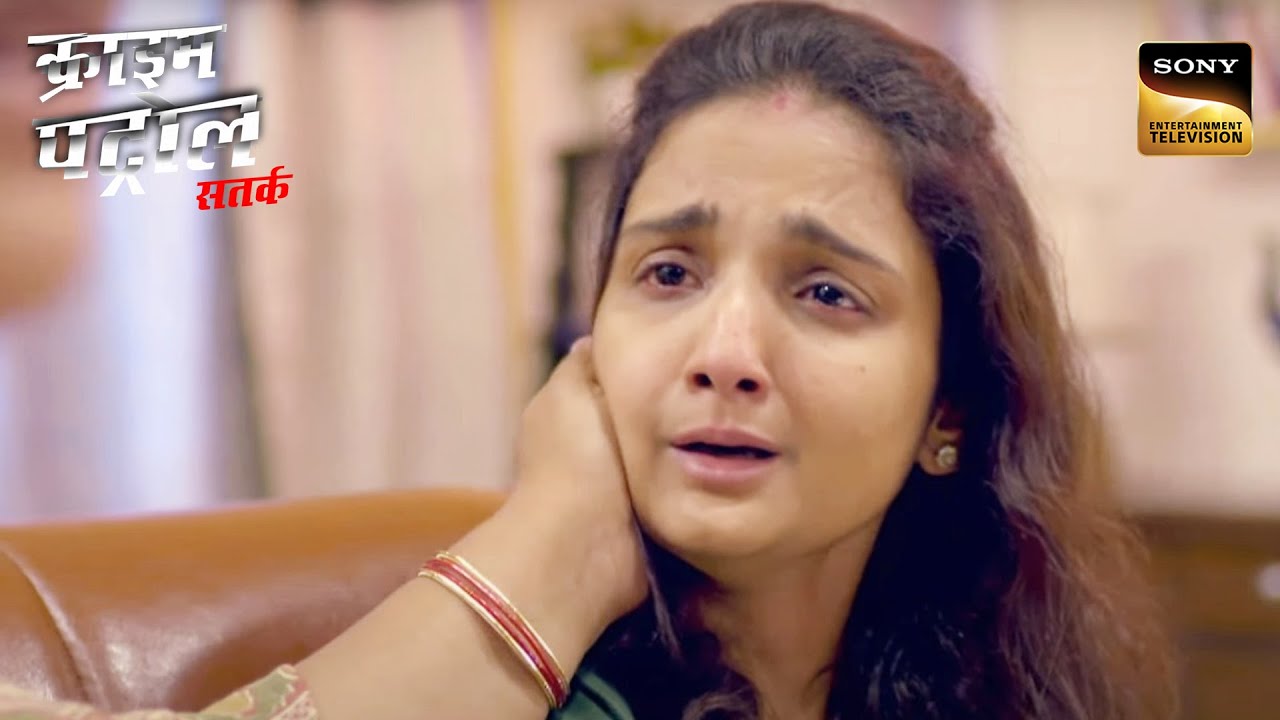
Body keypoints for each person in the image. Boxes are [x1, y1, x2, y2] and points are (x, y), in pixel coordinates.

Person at [0, 2, 1177, 719]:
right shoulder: (546, 690)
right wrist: (548, 545)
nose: (723, 353)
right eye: (667, 273)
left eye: (825, 292)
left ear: (949, 408)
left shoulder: (999, 678)